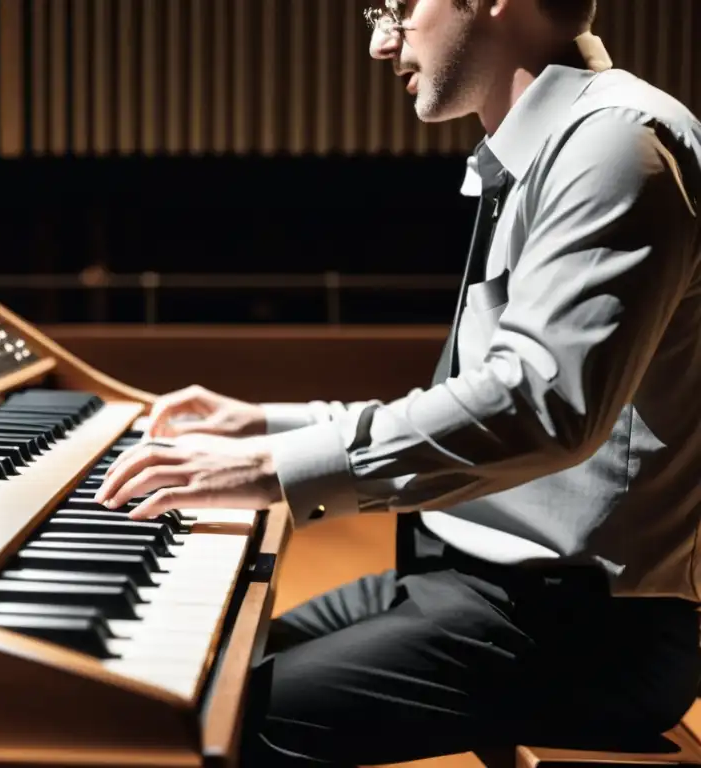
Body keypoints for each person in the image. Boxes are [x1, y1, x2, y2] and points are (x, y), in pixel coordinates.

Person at [94, 0, 701, 764]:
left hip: (582, 633)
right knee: (168, 676)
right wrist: (263, 426)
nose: (381, 44)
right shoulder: (547, 148)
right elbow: (479, 394)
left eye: (395, 8)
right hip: (470, 587)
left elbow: (540, 405)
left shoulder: (614, 140)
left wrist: (274, 472)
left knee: (191, 732)